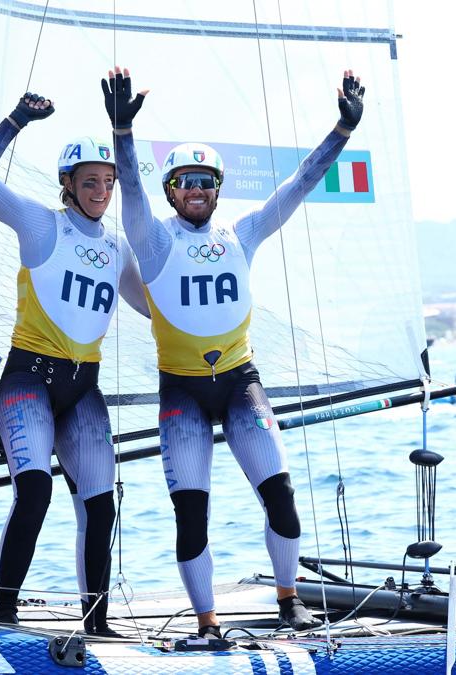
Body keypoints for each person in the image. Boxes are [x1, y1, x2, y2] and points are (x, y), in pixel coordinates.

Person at [101, 67, 365, 635]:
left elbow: (298, 184)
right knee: (191, 515)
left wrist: (342, 131)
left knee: (282, 495)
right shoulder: (151, 238)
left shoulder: (241, 234)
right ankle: (206, 622)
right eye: (185, 182)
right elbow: (129, 189)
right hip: (183, 392)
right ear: (171, 190)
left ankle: (288, 599)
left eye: (206, 182)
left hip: (242, 384)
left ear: (217, 189)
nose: (196, 190)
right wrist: (122, 132)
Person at [0, 92, 150, 636]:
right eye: (90, 182)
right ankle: (3, 616)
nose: (101, 192)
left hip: (81, 390)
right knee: (37, 491)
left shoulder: (116, 248)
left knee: (101, 505)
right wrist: (17, 119)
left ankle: (97, 624)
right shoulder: (42, 225)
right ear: (68, 183)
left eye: (108, 182)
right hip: (27, 383)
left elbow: (150, 307)